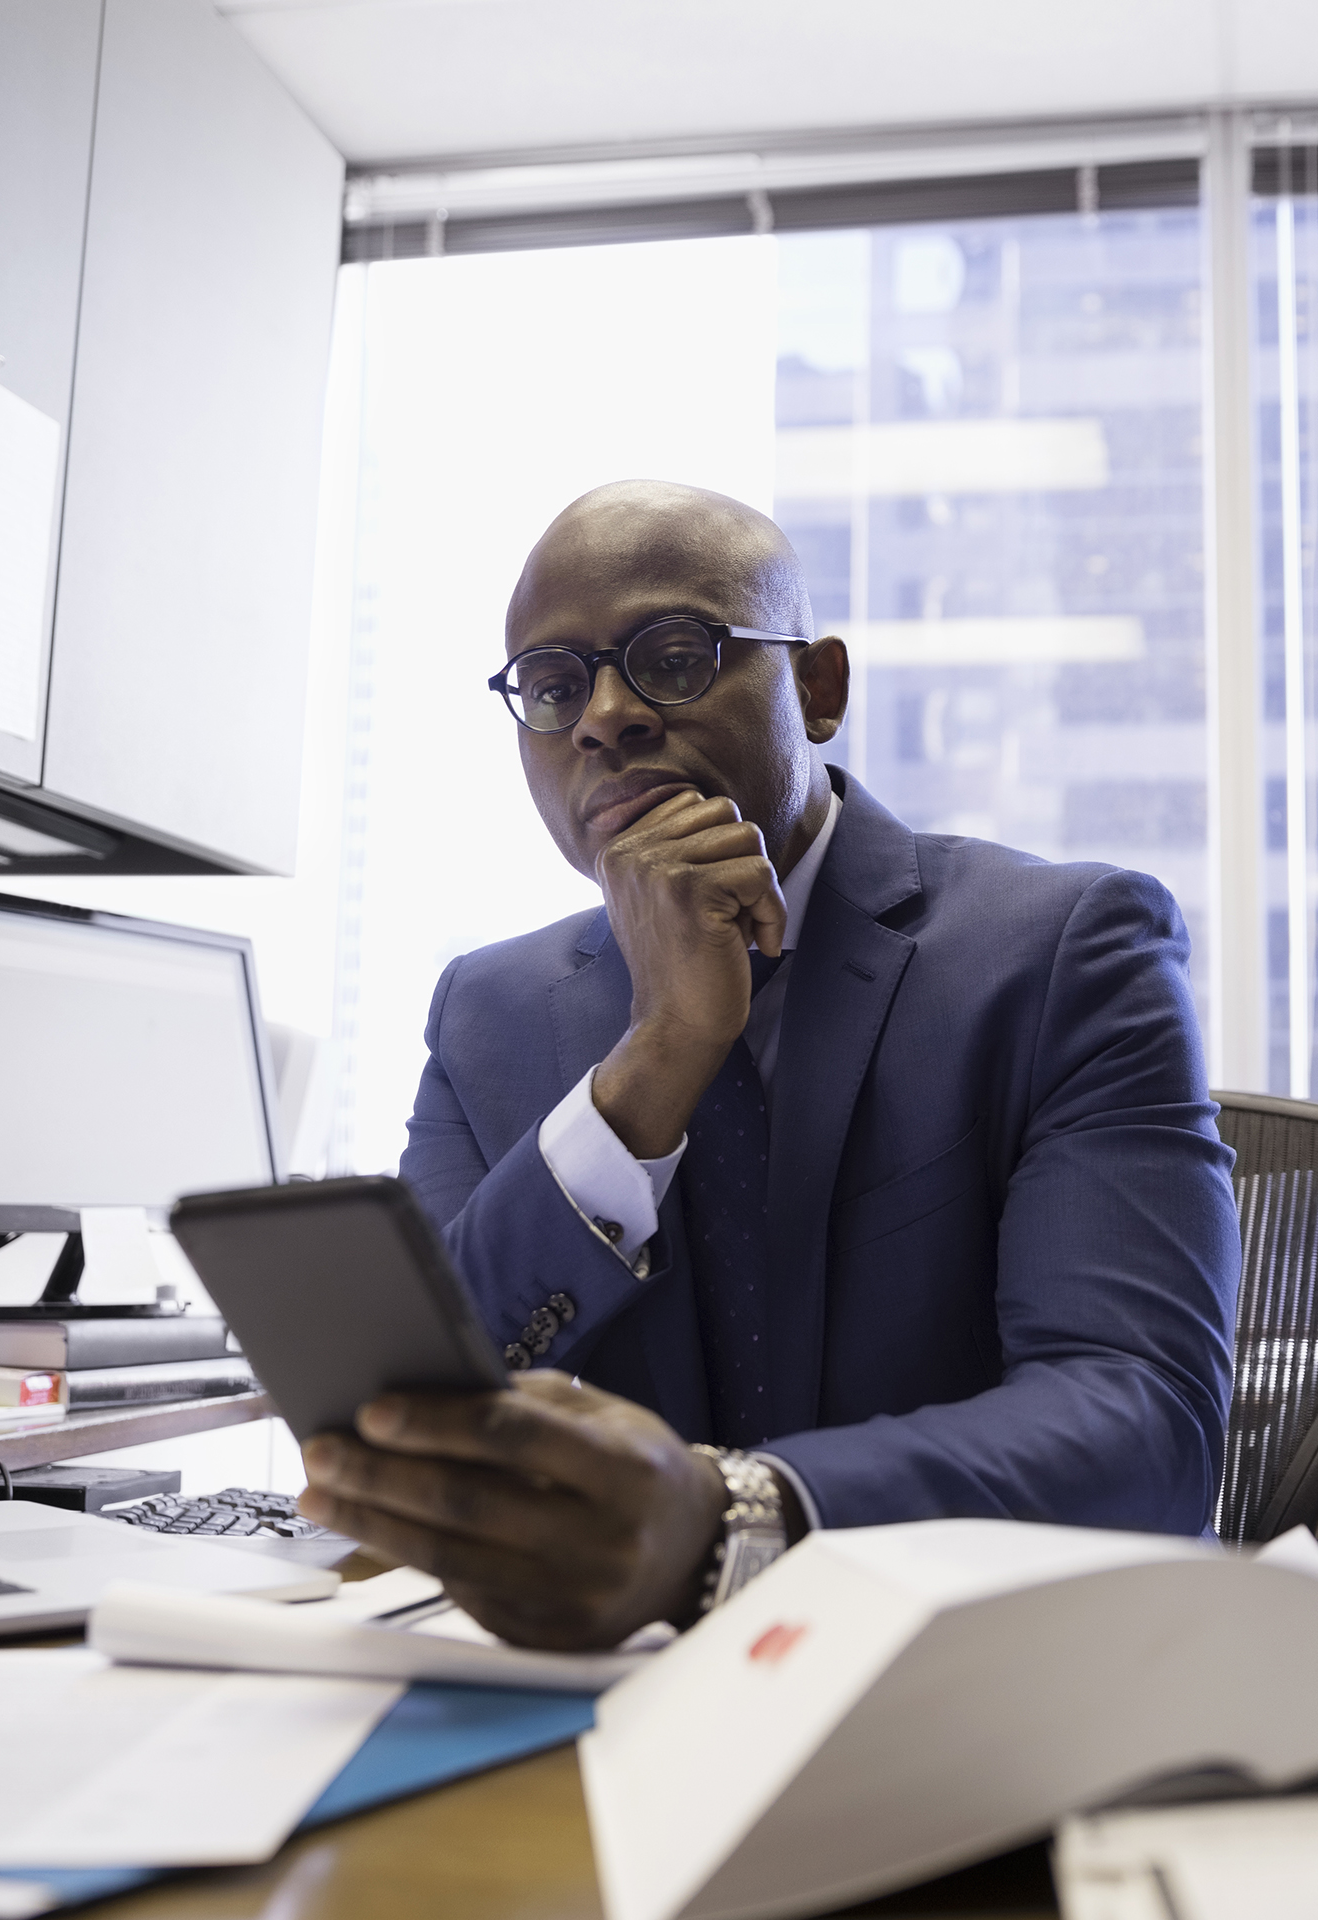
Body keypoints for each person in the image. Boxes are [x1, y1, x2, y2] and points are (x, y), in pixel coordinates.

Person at [296, 480, 1239, 1650]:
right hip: (619, 1690)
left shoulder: (1061, 951)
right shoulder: (487, 1011)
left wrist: (728, 1523)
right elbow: (423, 1402)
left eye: (674, 656)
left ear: (820, 687)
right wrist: (657, 1059)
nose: (603, 719)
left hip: (979, 1667)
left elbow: (1145, 1425)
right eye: (551, 685)